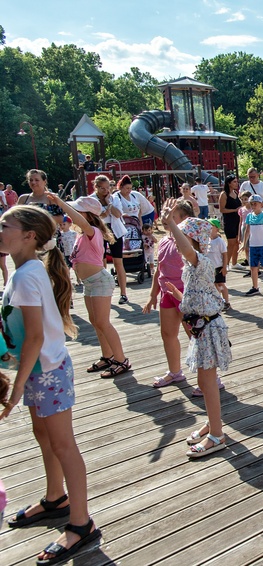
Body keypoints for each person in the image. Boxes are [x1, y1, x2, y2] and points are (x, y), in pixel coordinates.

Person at [0, 204, 101, 564]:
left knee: (63, 444)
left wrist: (14, 390)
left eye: (4, 225)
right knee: (44, 437)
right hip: (40, 370)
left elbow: (34, 338)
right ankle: (56, 497)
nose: (0, 230)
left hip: (46, 371)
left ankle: (80, 522)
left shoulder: (26, 275)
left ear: (29, 236)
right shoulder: (24, 270)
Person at [160, 204, 232, 457]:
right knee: (203, 381)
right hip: (202, 328)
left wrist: (170, 223)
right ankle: (212, 423)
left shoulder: (200, 261)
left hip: (209, 328)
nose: (175, 243)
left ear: (192, 241)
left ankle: (217, 435)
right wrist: (179, 294)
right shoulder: (190, 268)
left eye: (181, 236)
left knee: (208, 382)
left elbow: (186, 248)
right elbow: (198, 297)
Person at [50, 194, 131, 377]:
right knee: (96, 322)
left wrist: (61, 203)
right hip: (89, 283)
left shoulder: (92, 230)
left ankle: (121, 359)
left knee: (103, 322)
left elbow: (81, 221)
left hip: (100, 281)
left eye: (77, 211)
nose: (72, 216)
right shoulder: (80, 235)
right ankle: (107, 355)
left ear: (86, 215)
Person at [145, 200, 196, 388]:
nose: (166, 218)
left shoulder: (189, 241)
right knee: (167, 333)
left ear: (185, 219)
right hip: (167, 293)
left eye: (172, 215)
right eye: (165, 214)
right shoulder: (165, 240)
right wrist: (152, 295)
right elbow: (160, 269)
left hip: (186, 293)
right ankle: (175, 372)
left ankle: (208, 377)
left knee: (195, 336)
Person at [113, 176, 145, 304]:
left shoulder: (134, 196)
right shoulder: (117, 197)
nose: (129, 190)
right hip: (123, 225)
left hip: (135, 224)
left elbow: (139, 211)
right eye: (126, 188)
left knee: (136, 244)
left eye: (130, 188)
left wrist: (140, 223)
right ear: (121, 187)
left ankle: (137, 264)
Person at [218, 174, 242, 268]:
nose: (236, 183)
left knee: (237, 242)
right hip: (229, 221)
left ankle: (234, 263)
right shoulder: (224, 194)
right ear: (229, 183)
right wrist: (235, 210)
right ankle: (226, 264)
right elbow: (222, 209)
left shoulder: (235, 193)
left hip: (237, 220)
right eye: (234, 182)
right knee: (231, 243)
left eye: (237, 181)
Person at [206, 219, 229, 311]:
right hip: (210, 267)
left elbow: (224, 254)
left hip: (218, 266)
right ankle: (218, 301)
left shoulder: (219, 241)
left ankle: (226, 302)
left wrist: (224, 267)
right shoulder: (207, 240)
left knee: (221, 284)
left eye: (211, 226)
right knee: (214, 285)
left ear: (216, 228)